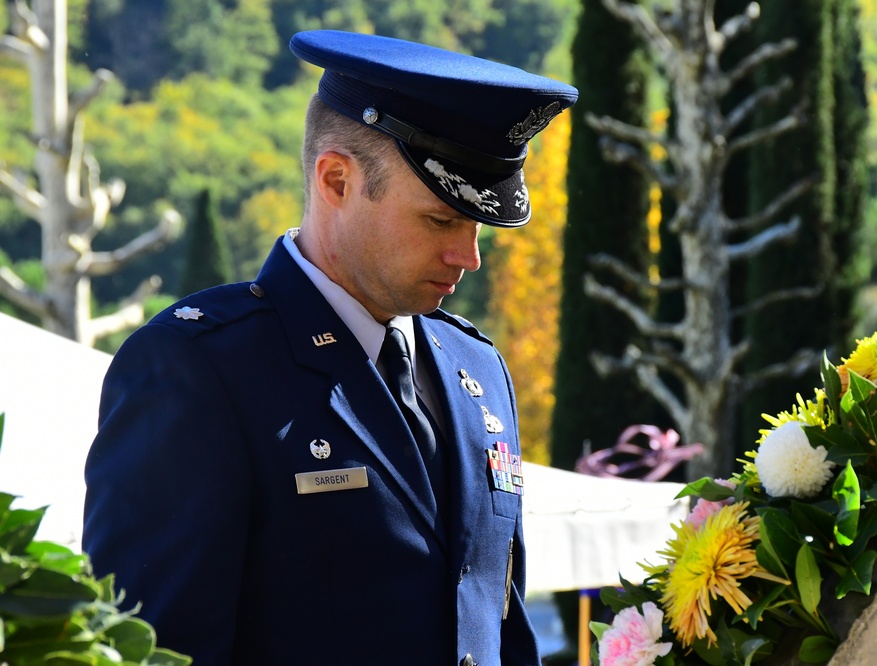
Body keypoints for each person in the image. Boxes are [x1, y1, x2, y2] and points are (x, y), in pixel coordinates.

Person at [82, 29, 577, 666]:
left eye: (478, 226)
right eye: (441, 219)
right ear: (337, 180)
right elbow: (155, 647)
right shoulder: (200, 368)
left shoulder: (474, 367)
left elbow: (498, 626)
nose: (469, 257)